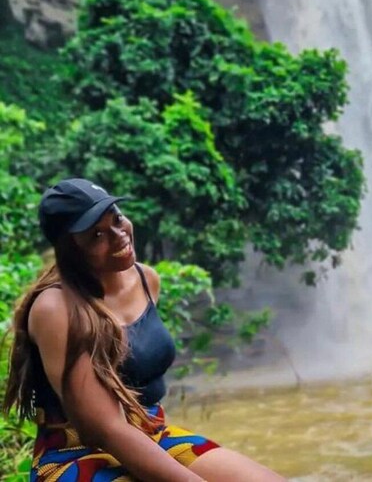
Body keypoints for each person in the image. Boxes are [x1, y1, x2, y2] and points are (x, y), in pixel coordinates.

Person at [2, 178, 285, 481]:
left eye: (117, 218)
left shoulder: (146, 279)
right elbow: (105, 429)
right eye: (97, 234)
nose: (118, 235)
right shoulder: (56, 309)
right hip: (75, 452)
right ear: (70, 250)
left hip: (151, 432)